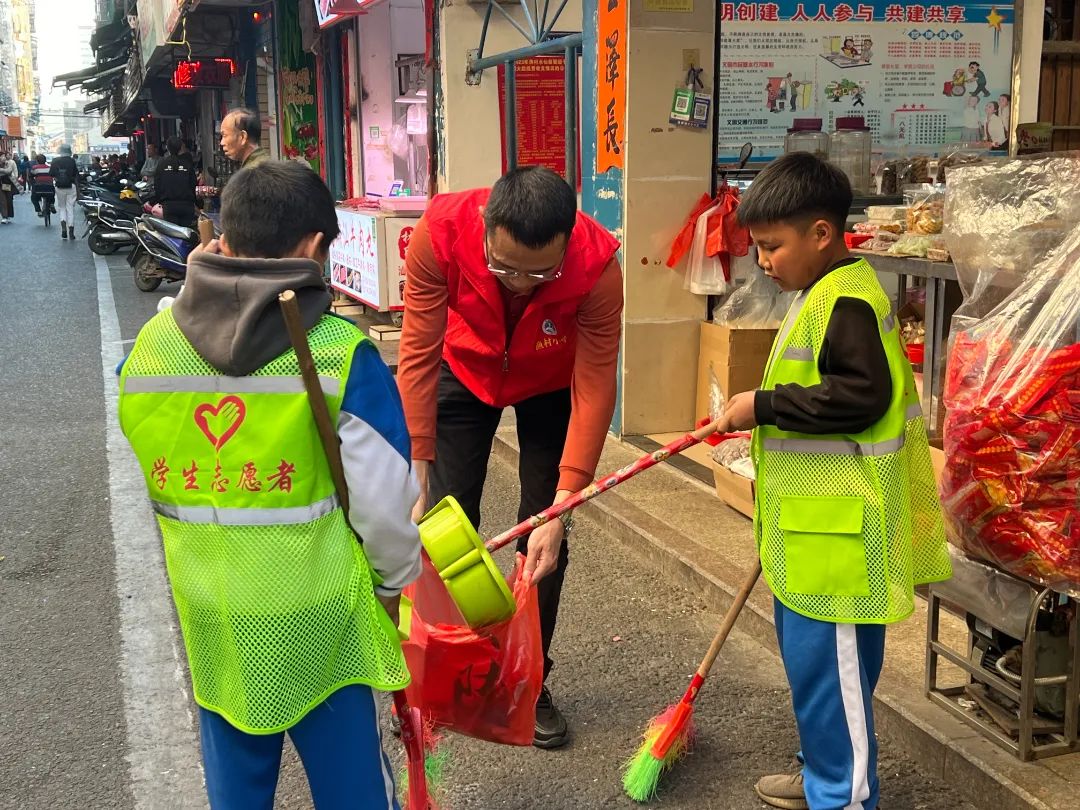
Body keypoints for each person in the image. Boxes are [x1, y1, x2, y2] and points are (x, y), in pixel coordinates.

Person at [117, 160, 420, 809]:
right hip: (324, 623)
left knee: (237, 793)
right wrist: (392, 587)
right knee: (355, 792)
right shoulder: (341, 353)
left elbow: (141, 427)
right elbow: (387, 503)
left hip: (216, 617)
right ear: (314, 247)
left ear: (224, 238)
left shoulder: (153, 347)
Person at [722, 153, 952, 810]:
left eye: (772, 246)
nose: (764, 262)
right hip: (813, 537)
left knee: (838, 682)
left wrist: (759, 405)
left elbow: (859, 396)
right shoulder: (818, 293)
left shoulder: (847, 297)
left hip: (842, 548)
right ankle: (822, 771)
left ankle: (844, 796)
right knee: (817, 679)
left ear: (822, 234)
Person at [396, 165, 623, 749]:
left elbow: (595, 383)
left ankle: (530, 680)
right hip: (463, 370)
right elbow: (417, 351)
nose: (520, 284)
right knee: (443, 525)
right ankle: (452, 671)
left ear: (568, 243)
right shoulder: (440, 232)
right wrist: (415, 460)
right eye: (504, 269)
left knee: (542, 542)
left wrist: (566, 501)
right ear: (485, 227)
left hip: (551, 378)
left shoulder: (598, 266)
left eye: (539, 273)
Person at [153, 136, 198, 227]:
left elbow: (157, 185)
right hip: (187, 206)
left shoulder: (162, 164)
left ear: (167, 148)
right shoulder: (187, 164)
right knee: (186, 234)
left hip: (168, 206)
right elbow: (193, 184)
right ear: (181, 147)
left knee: (173, 236)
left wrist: (160, 201)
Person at [50, 145, 80, 240]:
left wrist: (57, 177)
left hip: (59, 187)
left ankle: (63, 229)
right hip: (71, 186)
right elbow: (76, 174)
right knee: (70, 208)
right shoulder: (72, 161)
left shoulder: (55, 160)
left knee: (62, 208)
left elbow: (51, 174)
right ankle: (71, 231)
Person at [29, 154, 56, 219]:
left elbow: (31, 176)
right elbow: (53, 176)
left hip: (39, 188)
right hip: (49, 187)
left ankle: (38, 210)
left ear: (37, 161)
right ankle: (52, 204)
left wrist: (33, 183)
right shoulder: (49, 167)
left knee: (34, 198)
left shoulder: (35, 168)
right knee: (52, 194)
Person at [0, 151, 19, 223]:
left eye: (4, 156)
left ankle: (8, 215)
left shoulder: (8, 163)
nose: (4, 158)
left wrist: (2, 170)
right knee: (2, 200)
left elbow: (9, 171)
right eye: (2, 156)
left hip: (6, 183)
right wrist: (4, 171)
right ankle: (4, 216)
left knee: (8, 199)